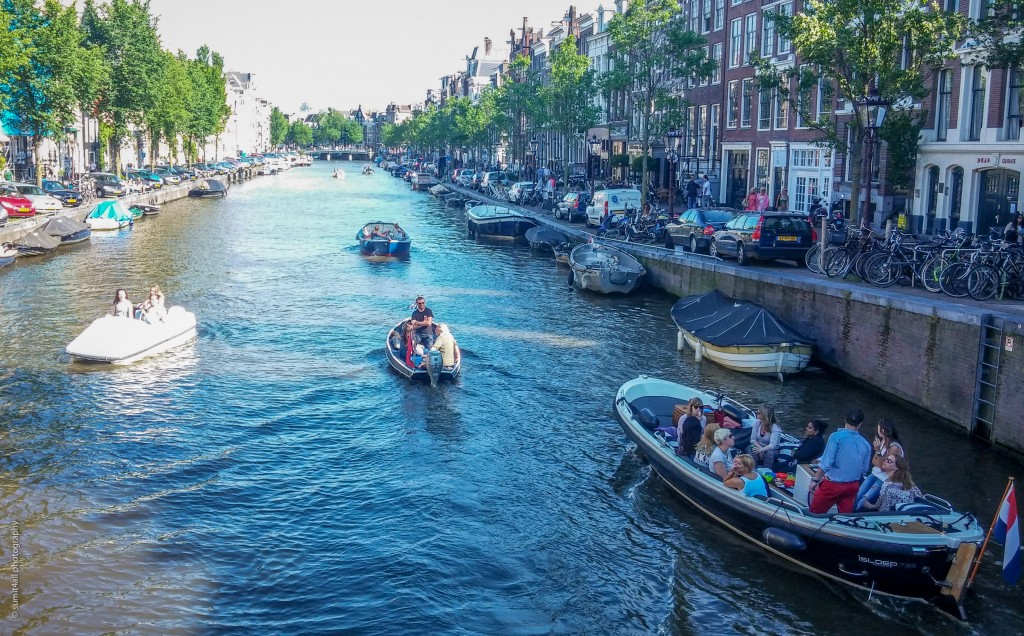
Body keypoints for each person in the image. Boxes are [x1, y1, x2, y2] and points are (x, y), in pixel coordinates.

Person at [809, 409, 872, 514]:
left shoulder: (835, 437)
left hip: (833, 484)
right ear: (860, 424)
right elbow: (864, 469)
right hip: (852, 486)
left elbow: (826, 464)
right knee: (845, 517)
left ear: (845, 420)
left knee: (815, 513)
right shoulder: (866, 444)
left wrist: (815, 481)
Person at [855, 419, 907, 511]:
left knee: (865, 499)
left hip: (884, 479)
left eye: (878, 428)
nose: (877, 429)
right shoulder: (883, 441)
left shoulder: (894, 448)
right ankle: (848, 514)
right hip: (875, 474)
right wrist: (879, 455)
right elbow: (874, 461)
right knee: (858, 495)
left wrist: (878, 451)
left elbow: (884, 467)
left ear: (882, 430)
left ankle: (855, 515)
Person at [750, 404, 783, 469]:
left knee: (769, 453)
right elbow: (753, 440)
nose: (757, 414)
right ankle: (752, 470)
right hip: (759, 446)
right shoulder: (757, 423)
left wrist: (762, 450)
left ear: (764, 415)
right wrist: (759, 448)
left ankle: (766, 472)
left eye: (758, 413)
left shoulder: (775, 427)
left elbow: (772, 445)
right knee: (752, 450)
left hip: (771, 449)